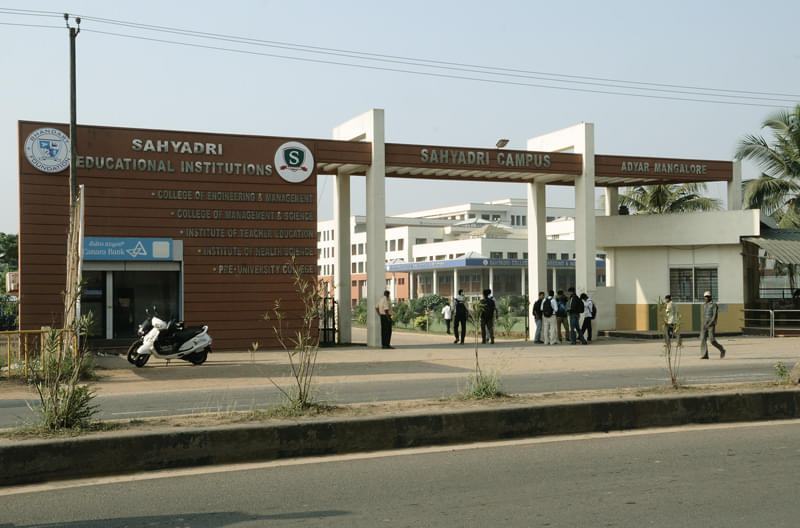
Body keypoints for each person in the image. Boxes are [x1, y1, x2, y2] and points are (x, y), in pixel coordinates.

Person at [700, 290, 726, 359]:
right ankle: (705, 355)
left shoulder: (714, 305)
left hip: (710, 325)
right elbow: (704, 315)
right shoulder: (704, 305)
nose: (706, 298)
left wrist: (710, 323)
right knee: (702, 339)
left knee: (712, 340)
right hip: (704, 324)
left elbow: (714, 316)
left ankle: (722, 349)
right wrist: (703, 323)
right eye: (705, 297)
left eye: (708, 296)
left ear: (710, 297)